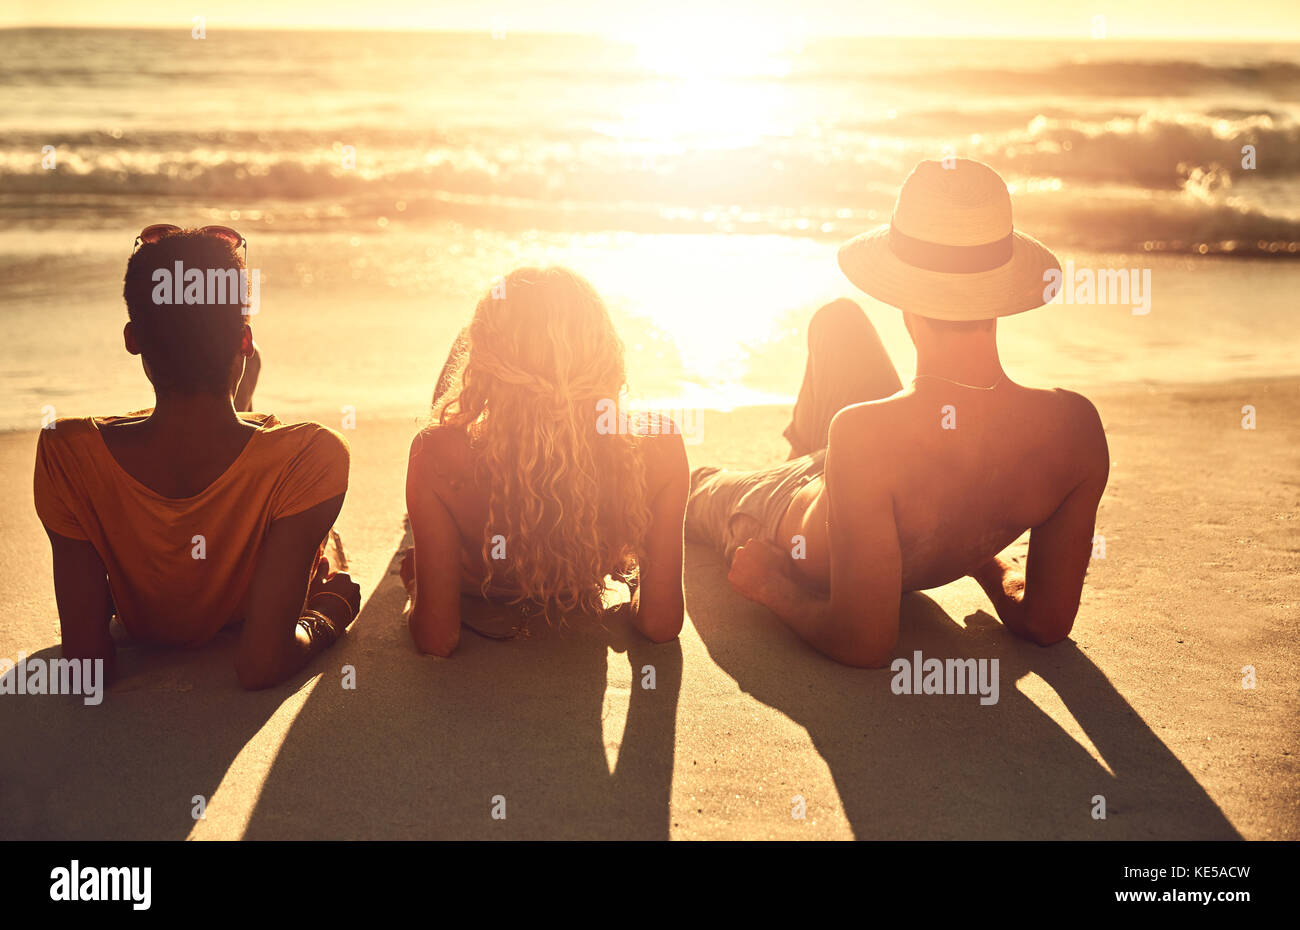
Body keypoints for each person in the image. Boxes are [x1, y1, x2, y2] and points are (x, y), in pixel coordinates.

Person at [686, 159, 1109, 667]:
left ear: (905, 295)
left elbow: (864, 644)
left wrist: (773, 585)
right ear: (999, 291)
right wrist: (985, 560)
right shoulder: (1075, 429)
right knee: (837, 322)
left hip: (788, 505)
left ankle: (790, 472)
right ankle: (805, 460)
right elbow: (1044, 622)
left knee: (697, 484)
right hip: (873, 464)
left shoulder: (866, 434)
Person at [33, 225, 359, 691]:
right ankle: (237, 408)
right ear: (244, 340)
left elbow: (86, 666)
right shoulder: (314, 454)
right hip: (262, 541)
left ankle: (230, 405)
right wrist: (328, 613)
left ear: (133, 339)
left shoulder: (66, 453)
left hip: (142, 614)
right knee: (316, 526)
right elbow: (261, 664)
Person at [403, 266, 687, 656]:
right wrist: (641, 580)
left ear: (485, 366)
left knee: (451, 427)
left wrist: (418, 588)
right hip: (580, 569)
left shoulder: (435, 453)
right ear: (605, 349)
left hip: (478, 548)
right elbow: (661, 625)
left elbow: (437, 640)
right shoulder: (658, 445)